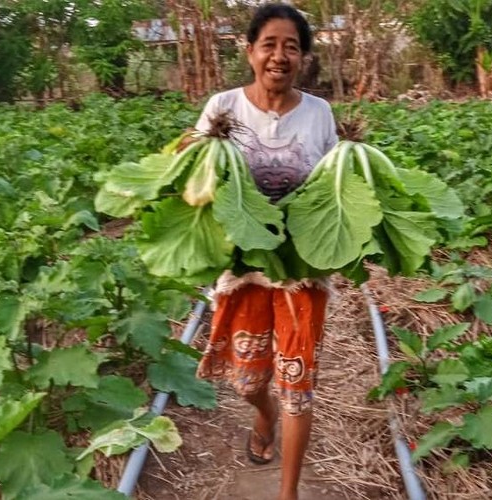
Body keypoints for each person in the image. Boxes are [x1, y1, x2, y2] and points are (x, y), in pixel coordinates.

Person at [194, 3, 338, 500]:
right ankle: (263, 414)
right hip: (243, 267)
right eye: (270, 44)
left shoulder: (319, 113)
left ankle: (288, 492)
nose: (280, 55)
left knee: (298, 388)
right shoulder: (223, 108)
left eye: (292, 46)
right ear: (250, 51)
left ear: (303, 58)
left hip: (301, 269)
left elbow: (332, 185)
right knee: (246, 378)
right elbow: (196, 176)